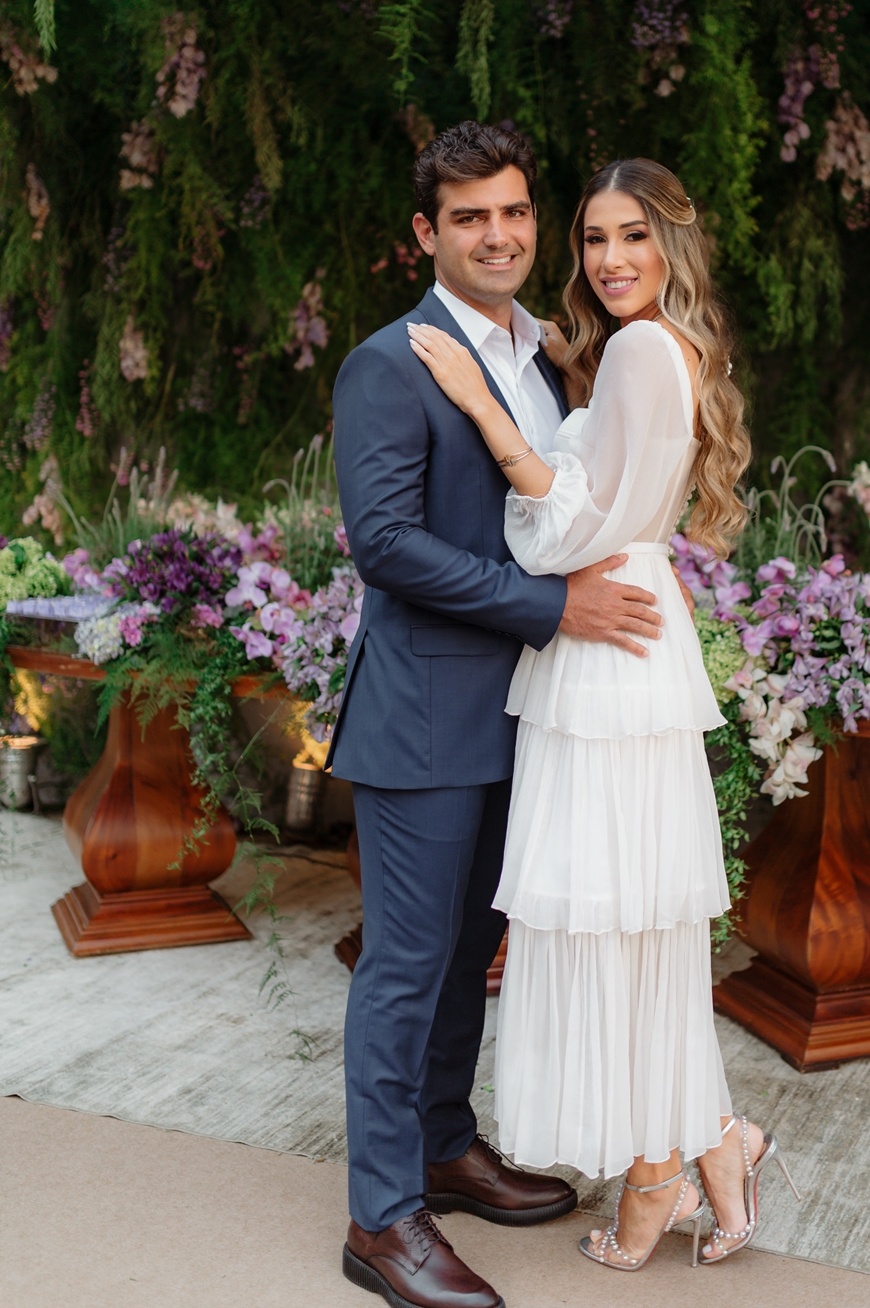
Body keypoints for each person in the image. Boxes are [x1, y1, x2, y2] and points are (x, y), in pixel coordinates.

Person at [407, 155, 801, 1273]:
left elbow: (568, 528)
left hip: (603, 636)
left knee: (613, 920)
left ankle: (663, 1165)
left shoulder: (638, 350)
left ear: (669, 242)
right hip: (626, 636)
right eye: (593, 238)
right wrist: (532, 348)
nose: (611, 257)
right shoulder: (654, 347)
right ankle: (705, 1142)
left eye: (632, 235)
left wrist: (483, 405)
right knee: (630, 924)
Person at [328, 122, 668, 1308]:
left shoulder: (554, 356)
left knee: (472, 954)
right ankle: (382, 1218)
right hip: (423, 717)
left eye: (513, 211)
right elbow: (386, 544)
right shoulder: (387, 363)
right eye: (468, 216)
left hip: (529, 713)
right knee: (405, 966)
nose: (496, 235)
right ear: (426, 233)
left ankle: (441, 1142)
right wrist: (554, 606)